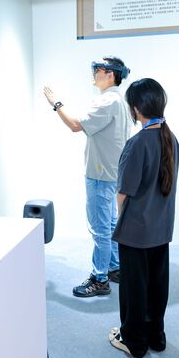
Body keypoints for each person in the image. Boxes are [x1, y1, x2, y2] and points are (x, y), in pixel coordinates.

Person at [43, 56, 131, 298]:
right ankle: (114, 267)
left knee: (100, 229)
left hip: (100, 174)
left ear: (110, 74)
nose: (94, 73)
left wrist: (56, 103)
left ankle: (100, 278)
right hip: (113, 173)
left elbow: (74, 125)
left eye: (98, 69)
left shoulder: (107, 102)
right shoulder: (120, 101)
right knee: (110, 224)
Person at [108, 78, 179, 358]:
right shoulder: (172, 139)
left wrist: (120, 220)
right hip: (161, 229)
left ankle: (134, 341)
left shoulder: (137, 143)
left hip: (136, 232)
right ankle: (156, 336)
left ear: (136, 109)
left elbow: (123, 192)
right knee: (157, 286)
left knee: (134, 288)